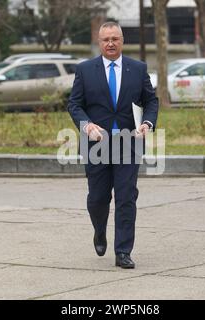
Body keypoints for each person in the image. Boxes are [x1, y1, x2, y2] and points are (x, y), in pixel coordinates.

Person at [67, 22, 159, 269]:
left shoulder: (137, 69)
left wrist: (148, 123)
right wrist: (86, 125)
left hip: (128, 144)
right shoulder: (85, 70)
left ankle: (123, 251)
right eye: (106, 39)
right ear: (99, 42)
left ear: (122, 41)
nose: (110, 43)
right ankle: (99, 230)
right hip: (96, 145)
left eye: (115, 39)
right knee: (98, 198)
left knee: (126, 197)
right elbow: (74, 105)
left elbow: (151, 101)